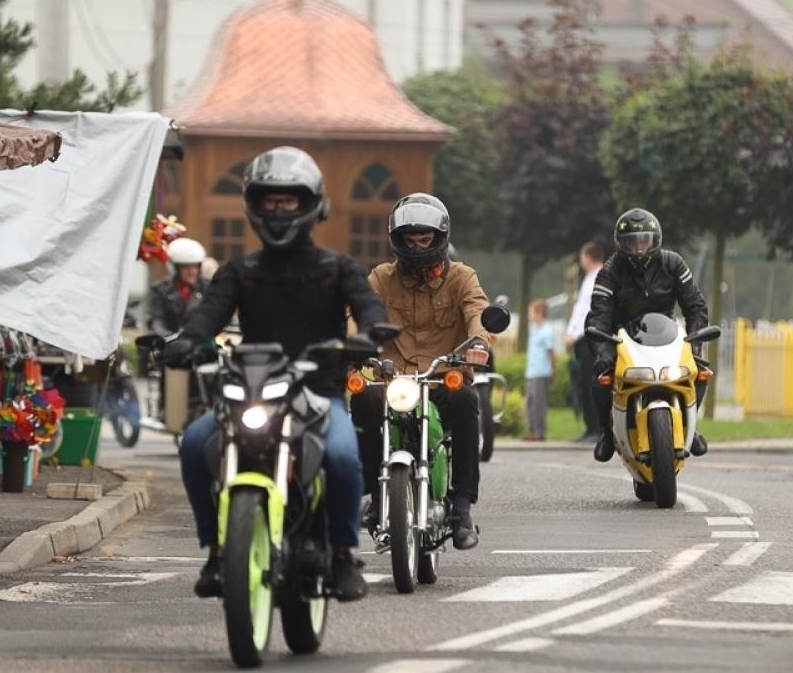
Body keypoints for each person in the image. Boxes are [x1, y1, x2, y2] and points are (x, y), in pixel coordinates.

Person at [166, 146, 386, 601]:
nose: (279, 210)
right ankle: (214, 550)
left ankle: (344, 554)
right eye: (270, 201)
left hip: (319, 394)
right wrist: (187, 342)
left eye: (289, 201)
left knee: (344, 457)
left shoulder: (337, 269)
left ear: (311, 205)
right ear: (254, 205)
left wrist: (370, 331)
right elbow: (207, 315)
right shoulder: (239, 272)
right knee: (193, 443)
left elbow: (367, 304)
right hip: (253, 391)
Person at [354, 193, 493, 550]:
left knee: (465, 399)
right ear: (397, 240)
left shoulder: (462, 277)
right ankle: (372, 492)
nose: (417, 246)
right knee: (362, 397)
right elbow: (358, 316)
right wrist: (350, 347)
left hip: (442, 377)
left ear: (440, 238)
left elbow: (478, 312)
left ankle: (462, 506)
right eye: (410, 239)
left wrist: (479, 345)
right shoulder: (381, 278)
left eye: (425, 239)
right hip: (393, 381)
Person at [586, 208, 710, 464]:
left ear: (656, 241)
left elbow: (695, 305)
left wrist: (696, 342)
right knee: (601, 381)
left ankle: (690, 424)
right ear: (621, 244)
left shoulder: (673, 263)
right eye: (633, 242)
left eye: (645, 241)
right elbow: (599, 315)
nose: (640, 248)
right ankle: (607, 433)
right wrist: (603, 351)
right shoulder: (610, 271)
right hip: (623, 339)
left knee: (700, 372)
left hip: (666, 335)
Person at [565, 241, 606, 442]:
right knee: (584, 383)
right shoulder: (588, 278)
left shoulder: (601, 277)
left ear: (588, 257)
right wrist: (570, 331)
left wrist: (576, 333)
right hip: (581, 337)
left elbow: (591, 312)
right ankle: (590, 427)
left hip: (591, 337)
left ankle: (598, 428)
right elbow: (579, 309)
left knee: (593, 382)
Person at [146, 237, 208, 336]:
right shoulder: (160, 290)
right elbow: (156, 320)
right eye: (186, 267)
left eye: (195, 266)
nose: (191, 272)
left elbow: (220, 315)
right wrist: (170, 338)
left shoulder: (209, 288)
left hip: (202, 343)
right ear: (175, 268)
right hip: (170, 344)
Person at [524, 297, 556, 441]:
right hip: (531, 372)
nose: (529, 315)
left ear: (539, 312)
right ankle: (532, 430)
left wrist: (554, 372)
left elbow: (552, 353)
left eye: (531, 312)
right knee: (530, 402)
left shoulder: (547, 331)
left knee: (539, 403)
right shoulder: (534, 330)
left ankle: (539, 432)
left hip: (541, 372)